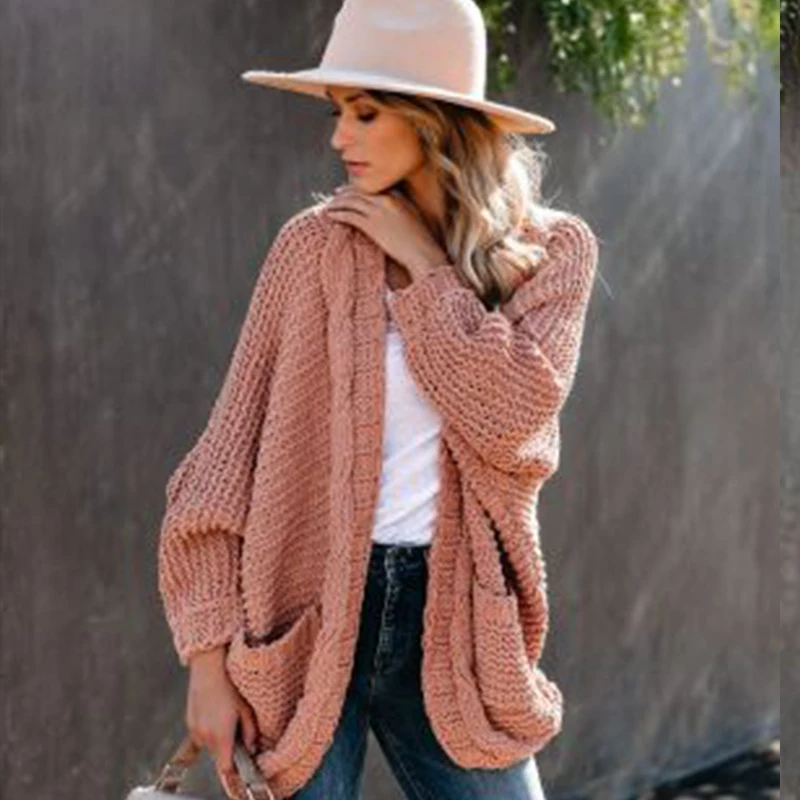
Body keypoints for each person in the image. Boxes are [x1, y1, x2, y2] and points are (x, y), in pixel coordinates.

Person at [156, 1, 600, 798]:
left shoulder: (552, 252)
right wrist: (206, 664)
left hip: (458, 631)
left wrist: (426, 268)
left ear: (435, 121)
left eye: (364, 113)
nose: (339, 138)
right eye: (337, 112)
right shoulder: (311, 248)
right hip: (300, 622)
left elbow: (517, 418)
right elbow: (222, 466)